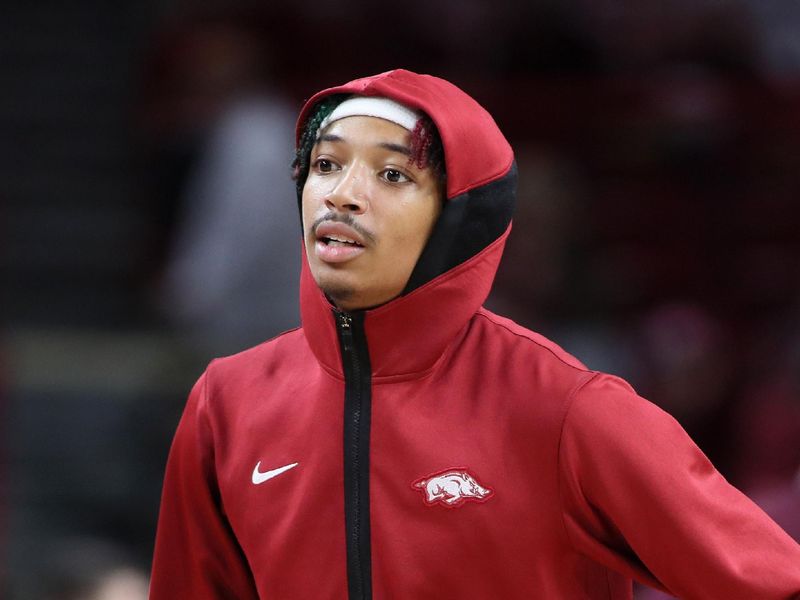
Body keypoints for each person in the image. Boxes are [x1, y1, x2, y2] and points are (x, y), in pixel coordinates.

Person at [149, 69, 800, 599]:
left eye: (393, 174)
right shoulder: (224, 406)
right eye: (325, 165)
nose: (342, 195)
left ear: (458, 217)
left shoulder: (565, 407)